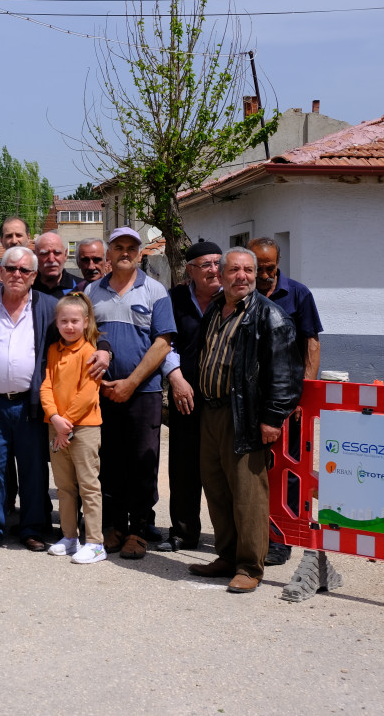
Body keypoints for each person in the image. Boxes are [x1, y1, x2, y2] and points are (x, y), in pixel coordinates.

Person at [189, 248, 302, 594]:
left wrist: (272, 418)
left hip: (245, 417)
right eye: (235, 270)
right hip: (210, 412)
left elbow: (286, 373)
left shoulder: (271, 316)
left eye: (248, 271)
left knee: (248, 495)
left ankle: (250, 566)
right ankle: (226, 556)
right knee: (217, 488)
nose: (243, 276)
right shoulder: (214, 310)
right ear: (221, 275)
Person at [85, 227, 175, 560]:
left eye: (131, 248)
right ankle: (113, 526)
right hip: (103, 393)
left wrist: (131, 383)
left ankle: (138, 529)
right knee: (107, 460)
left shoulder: (155, 290)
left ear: (139, 253)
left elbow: (163, 343)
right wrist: (106, 384)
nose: (125, 252)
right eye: (118, 247)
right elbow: (85, 339)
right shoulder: (92, 292)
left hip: (144, 392)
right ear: (108, 253)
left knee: (141, 462)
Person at [0, 246, 58, 553]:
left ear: (34, 276)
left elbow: (81, 329)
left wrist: (104, 347)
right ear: (0, 272)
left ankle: (32, 527)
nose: (16, 275)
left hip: (29, 404)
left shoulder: (48, 306)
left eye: (24, 270)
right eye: (11, 268)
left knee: (33, 468)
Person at [248, 236, 323, 566]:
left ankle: (282, 536)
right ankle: (254, 532)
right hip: (250, 396)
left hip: (288, 398)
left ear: (278, 263)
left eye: (270, 268)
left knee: (288, 469)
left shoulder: (298, 294)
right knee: (252, 468)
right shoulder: (241, 292)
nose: (264, 275)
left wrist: (304, 394)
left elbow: (311, 344)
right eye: (257, 268)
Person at [162, 240, 223, 552]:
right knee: (184, 467)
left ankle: (228, 538)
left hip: (222, 400)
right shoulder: (174, 299)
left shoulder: (231, 300)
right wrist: (176, 378)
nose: (214, 270)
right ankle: (183, 532)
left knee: (223, 469)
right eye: (206, 265)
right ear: (190, 270)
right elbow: (165, 342)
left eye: (217, 263)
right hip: (185, 395)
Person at [40, 293, 105, 564]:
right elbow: (46, 385)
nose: (69, 326)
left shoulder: (90, 352)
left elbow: (89, 393)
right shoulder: (54, 350)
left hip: (84, 428)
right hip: (57, 427)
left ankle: (95, 542)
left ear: (86, 322)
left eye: (75, 321)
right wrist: (55, 417)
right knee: (65, 486)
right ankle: (69, 536)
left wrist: (66, 422)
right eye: (64, 321)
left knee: (89, 486)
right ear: (56, 322)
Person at [32, 231, 81, 298]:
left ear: (65, 255)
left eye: (57, 253)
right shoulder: (27, 288)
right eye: (44, 253)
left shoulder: (81, 287)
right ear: (35, 256)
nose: (51, 259)